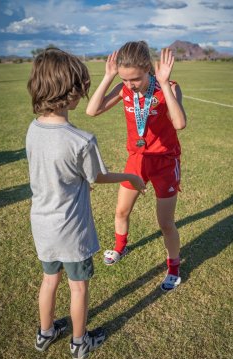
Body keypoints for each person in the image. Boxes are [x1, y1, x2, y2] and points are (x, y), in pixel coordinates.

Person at [26, 47, 146, 359]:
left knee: (49, 280)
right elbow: (98, 177)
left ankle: (45, 332)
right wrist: (131, 178)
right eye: (80, 86)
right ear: (71, 92)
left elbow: (53, 172)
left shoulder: (32, 129)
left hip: (41, 224)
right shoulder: (81, 140)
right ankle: (80, 342)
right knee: (78, 287)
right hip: (71, 230)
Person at [86, 41, 187, 291]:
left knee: (165, 223)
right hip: (137, 159)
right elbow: (92, 110)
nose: (130, 84)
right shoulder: (123, 89)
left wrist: (163, 83)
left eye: (136, 79)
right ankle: (121, 246)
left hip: (164, 161)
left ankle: (173, 267)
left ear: (147, 70)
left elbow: (179, 123)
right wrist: (109, 77)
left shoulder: (170, 87)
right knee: (121, 211)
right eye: (125, 79)